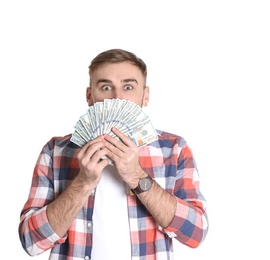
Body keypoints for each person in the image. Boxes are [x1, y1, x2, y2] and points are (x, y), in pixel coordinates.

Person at [18, 48, 209, 260]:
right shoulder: (56, 151)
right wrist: (83, 183)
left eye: (128, 87)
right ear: (90, 96)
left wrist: (137, 176)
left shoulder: (173, 149)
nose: (117, 98)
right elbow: (31, 242)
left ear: (145, 96)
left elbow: (195, 234)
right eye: (106, 87)